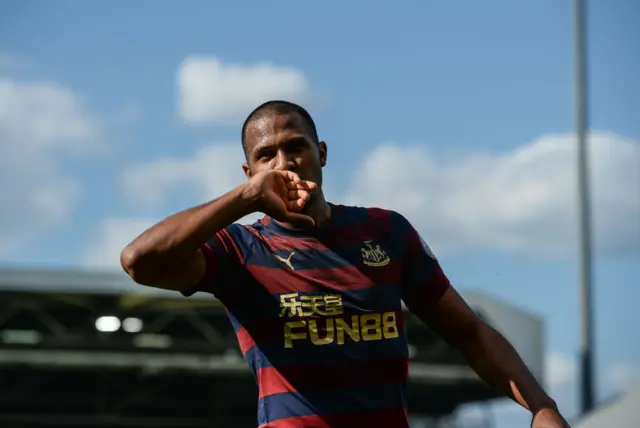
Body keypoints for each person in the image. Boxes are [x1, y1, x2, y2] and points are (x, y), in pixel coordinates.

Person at [121, 100, 570, 428]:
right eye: (265, 157)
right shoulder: (239, 249)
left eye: (296, 146)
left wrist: (540, 406)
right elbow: (138, 261)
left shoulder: (386, 233)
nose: (284, 164)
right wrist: (244, 200)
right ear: (248, 174)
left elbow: (470, 333)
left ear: (323, 153)